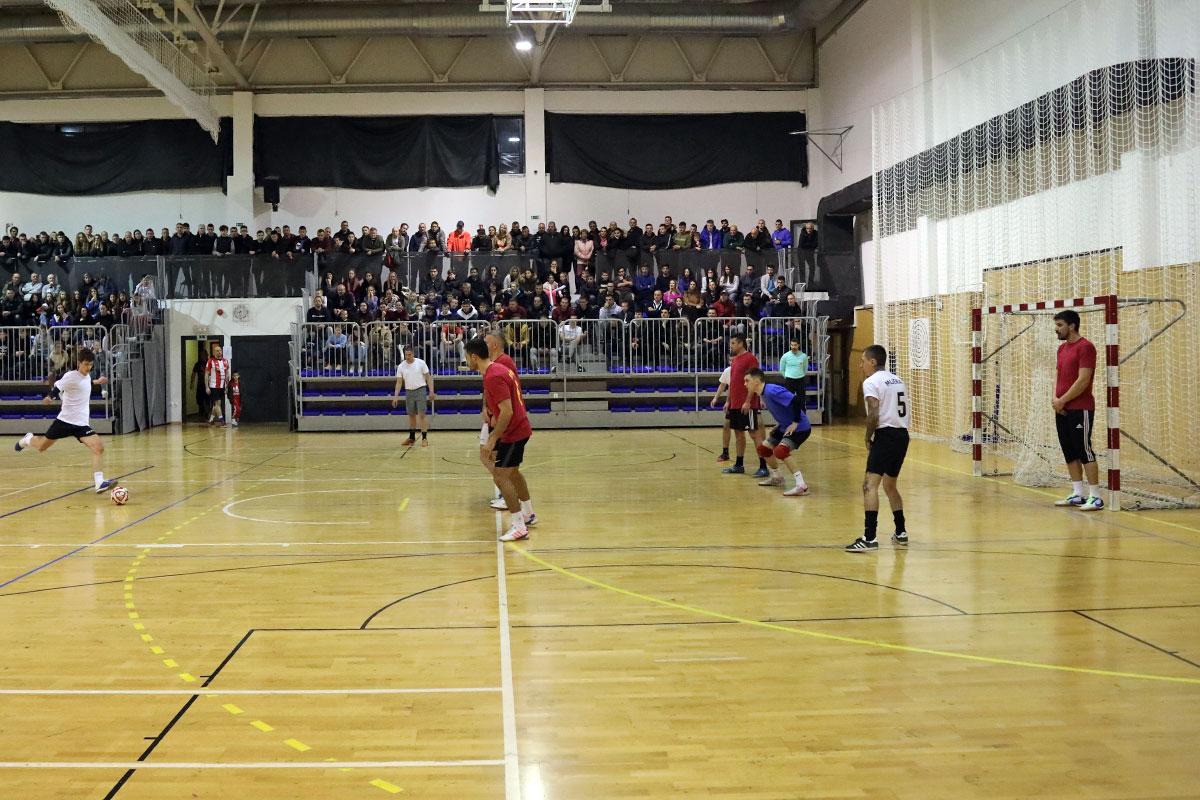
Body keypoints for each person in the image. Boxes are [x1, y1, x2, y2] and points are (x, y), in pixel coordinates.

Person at [14, 348, 116, 494]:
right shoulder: (70, 376)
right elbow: (58, 387)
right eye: (86, 364)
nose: (88, 367)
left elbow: (85, 383)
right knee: (42, 447)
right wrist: (50, 397)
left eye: (91, 365)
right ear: (79, 363)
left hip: (81, 424)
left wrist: (97, 382)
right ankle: (27, 439)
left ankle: (99, 483)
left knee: (98, 447)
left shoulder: (87, 376)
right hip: (64, 421)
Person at [465, 336, 535, 541]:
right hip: (518, 428)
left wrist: (493, 438)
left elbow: (507, 411)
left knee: (501, 476)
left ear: (474, 357)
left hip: (513, 432)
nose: (466, 361)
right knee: (512, 473)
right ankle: (528, 513)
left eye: (467, 357)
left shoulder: (494, 375)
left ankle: (519, 526)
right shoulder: (496, 370)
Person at [846, 344, 910, 552]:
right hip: (902, 436)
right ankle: (901, 531)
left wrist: (868, 436)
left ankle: (870, 537)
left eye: (863, 361)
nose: (861, 365)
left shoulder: (871, 381)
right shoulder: (897, 380)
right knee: (890, 485)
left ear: (873, 362)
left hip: (886, 435)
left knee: (869, 486)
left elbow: (874, 410)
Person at [1051, 309, 1103, 510]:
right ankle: (1078, 494)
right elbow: (1057, 375)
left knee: (1083, 450)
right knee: (1069, 451)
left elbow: (1083, 380)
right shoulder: (1061, 349)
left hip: (1080, 408)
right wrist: (1055, 399)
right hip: (1062, 408)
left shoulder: (1086, 347)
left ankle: (1096, 497)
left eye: (1059, 325)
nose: (1056, 329)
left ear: (1071, 326)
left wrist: (1063, 400)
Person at [743, 368, 811, 495]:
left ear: (756, 381)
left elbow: (796, 401)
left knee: (781, 451)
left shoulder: (772, 390)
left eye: (747, 381)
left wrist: (795, 422)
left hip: (800, 427)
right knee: (763, 449)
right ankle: (777, 477)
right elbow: (784, 408)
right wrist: (780, 424)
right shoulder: (762, 393)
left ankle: (802, 486)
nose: (745, 384)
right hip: (784, 426)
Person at [480, 331, 521, 510]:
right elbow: (487, 389)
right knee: (485, 455)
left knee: (499, 459)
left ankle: (509, 495)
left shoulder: (504, 362)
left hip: (500, 418)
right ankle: (506, 490)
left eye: (486, 342)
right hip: (491, 415)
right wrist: (484, 407)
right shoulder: (489, 363)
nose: (483, 345)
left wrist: (498, 416)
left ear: (495, 344)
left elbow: (510, 392)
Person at [722, 334, 768, 477]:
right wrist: (729, 400)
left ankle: (763, 466)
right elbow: (733, 383)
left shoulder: (750, 359)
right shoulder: (735, 360)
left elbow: (754, 382)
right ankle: (739, 464)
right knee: (738, 433)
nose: (731, 346)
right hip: (735, 404)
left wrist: (748, 401)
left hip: (747, 404)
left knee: (754, 433)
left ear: (741, 343)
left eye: (733, 343)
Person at [392, 345, 434, 447]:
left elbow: (428, 378)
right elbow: (399, 382)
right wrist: (396, 396)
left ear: (413, 354)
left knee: (422, 415)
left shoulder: (421, 363)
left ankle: (424, 437)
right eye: (406, 355)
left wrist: (431, 391)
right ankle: (411, 437)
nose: (407, 357)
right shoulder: (401, 366)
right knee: (411, 415)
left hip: (420, 390)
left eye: (409, 355)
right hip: (409, 391)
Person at [710, 356, 734, 462]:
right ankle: (725, 453)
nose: (732, 362)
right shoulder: (728, 371)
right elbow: (723, 385)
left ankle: (762, 456)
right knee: (726, 425)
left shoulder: (744, 371)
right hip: (733, 402)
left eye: (734, 360)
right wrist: (716, 398)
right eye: (730, 360)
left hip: (745, 402)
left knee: (752, 430)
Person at [204, 343, 231, 427]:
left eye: (220, 350)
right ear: (214, 352)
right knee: (217, 403)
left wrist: (227, 386)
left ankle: (211, 420)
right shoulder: (210, 361)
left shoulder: (225, 361)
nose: (219, 352)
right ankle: (222, 421)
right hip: (214, 386)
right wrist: (207, 387)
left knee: (217, 405)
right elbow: (206, 374)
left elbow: (227, 374)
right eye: (217, 351)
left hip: (222, 386)